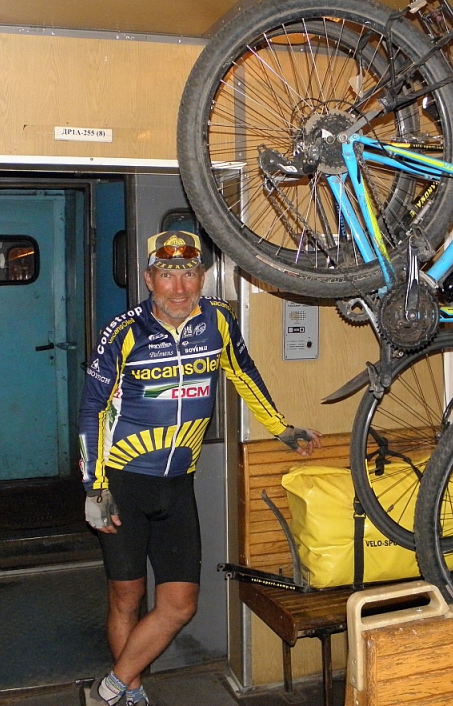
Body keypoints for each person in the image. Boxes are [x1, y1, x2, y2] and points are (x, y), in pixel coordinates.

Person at [79, 230, 321, 706]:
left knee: (179, 605)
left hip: (177, 486)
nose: (179, 288)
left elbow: (243, 372)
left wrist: (282, 429)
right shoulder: (124, 332)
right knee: (127, 597)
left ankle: (107, 689)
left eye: (189, 274)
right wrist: (94, 486)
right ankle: (131, 692)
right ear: (149, 279)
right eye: (167, 275)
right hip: (122, 484)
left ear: (202, 278)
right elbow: (92, 409)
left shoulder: (218, 320)